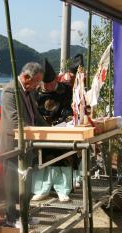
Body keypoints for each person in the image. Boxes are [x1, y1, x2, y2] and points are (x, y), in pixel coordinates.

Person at [0, 62, 46, 225]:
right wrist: (34, 132)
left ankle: (24, 215)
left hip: (28, 144)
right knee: (12, 185)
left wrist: (51, 129)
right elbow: (15, 120)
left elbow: (35, 115)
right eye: (36, 82)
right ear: (25, 77)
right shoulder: (10, 90)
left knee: (27, 184)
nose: (37, 86)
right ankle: (11, 218)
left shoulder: (29, 91)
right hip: (12, 145)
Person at [31, 59, 76, 202]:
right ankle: (41, 190)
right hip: (42, 130)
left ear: (56, 78)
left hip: (61, 129)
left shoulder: (66, 90)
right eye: (46, 84)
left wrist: (64, 120)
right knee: (41, 159)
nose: (49, 86)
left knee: (62, 158)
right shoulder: (35, 93)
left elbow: (70, 109)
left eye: (51, 83)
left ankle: (63, 190)